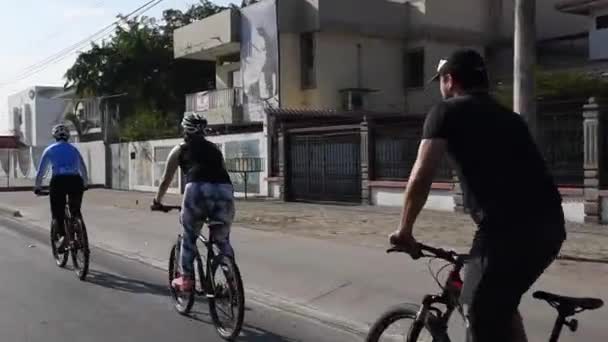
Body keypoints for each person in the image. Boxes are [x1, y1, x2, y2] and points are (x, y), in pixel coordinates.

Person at [389, 49, 566, 342]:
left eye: (442, 80)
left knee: (477, 309)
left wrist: (405, 230)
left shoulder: (445, 111)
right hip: (551, 229)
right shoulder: (511, 118)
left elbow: (421, 175)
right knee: (501, 302)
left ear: (450, 79)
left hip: (506, 231)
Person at [151, 113, 235, 292]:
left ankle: (187, 279)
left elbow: (166, 180)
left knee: (189, 236)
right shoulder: (215, 149)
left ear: (185, 130)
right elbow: (221, 171)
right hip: (225, 191)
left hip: (197, 191)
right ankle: (233, 283)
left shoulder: (180, 149)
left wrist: (157, 201)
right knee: (222, 240)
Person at [34, 123, 89, 252]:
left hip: (58, 182)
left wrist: (37, 186)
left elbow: (41, 171)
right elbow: (83, 167)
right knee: (75, 210)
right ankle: (78, 229)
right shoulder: (74, 149)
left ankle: (64, 237)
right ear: (68, 136)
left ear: (55, 136)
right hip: (76, 181)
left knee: (57, 211)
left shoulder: (50, 149)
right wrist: (85, 184)